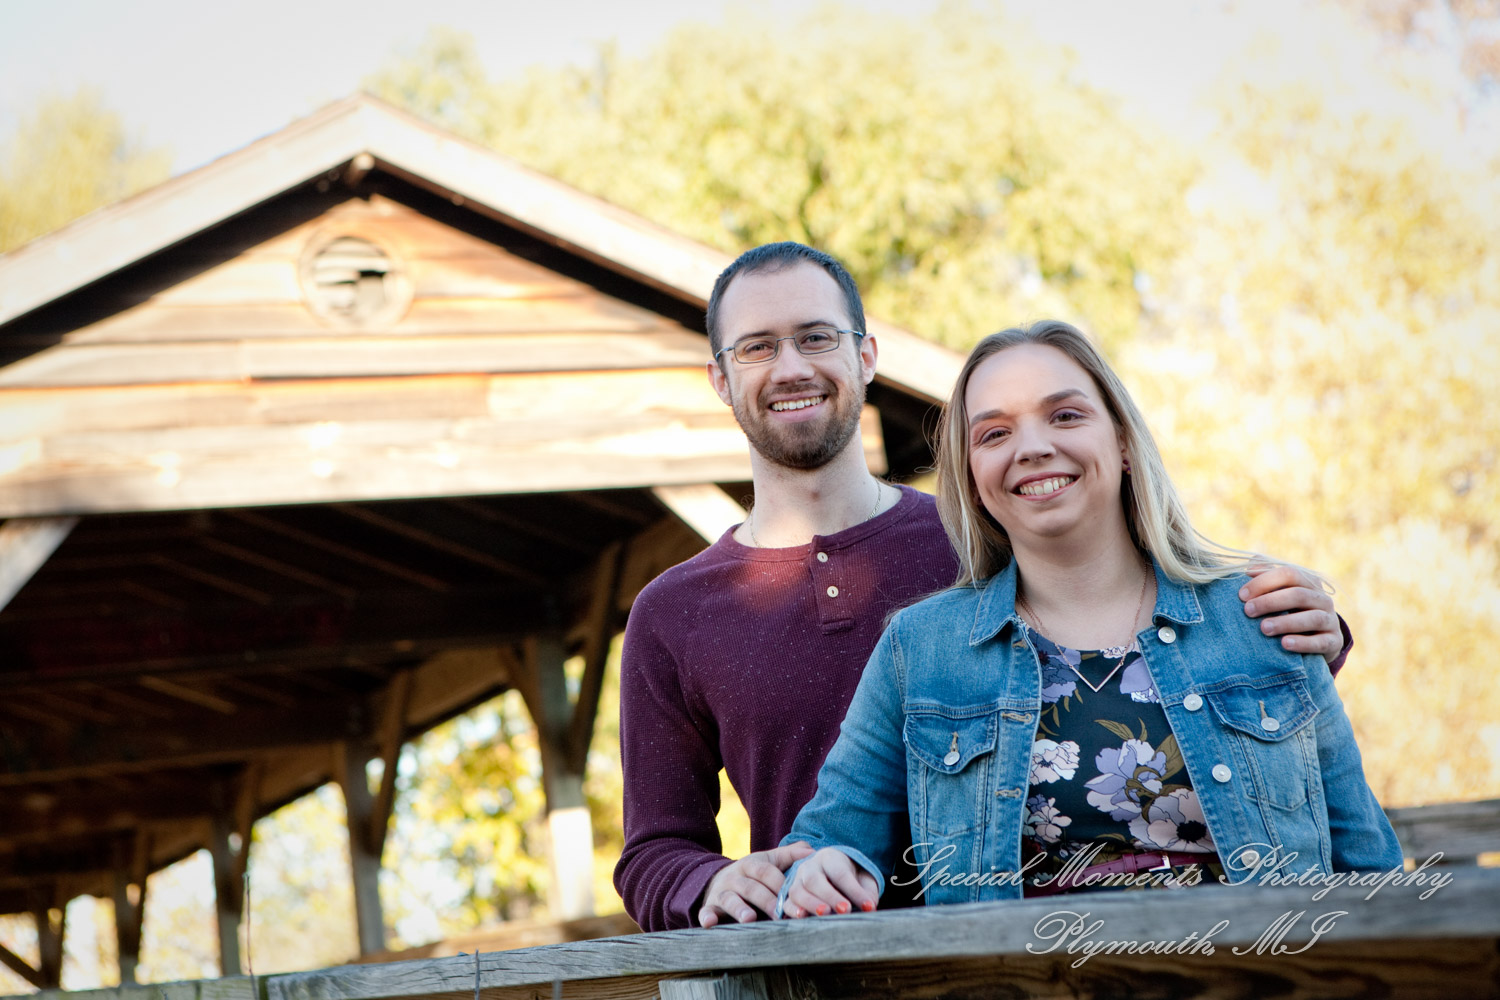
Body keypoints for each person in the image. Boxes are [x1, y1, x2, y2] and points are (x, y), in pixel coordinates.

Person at [614, 245, 1352, 932]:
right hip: (825, 965)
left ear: (866, 354)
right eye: (756, 347)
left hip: (1004, 946)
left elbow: (1162, 618)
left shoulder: (995, 533)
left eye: (817, 337)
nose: (791, 367)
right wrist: (709, 884)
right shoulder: (673, 614)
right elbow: (653, 852)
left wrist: (1305, 628)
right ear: (719, 377)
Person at [776, 321, 1400, 918]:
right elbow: (832, 839)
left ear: (1124, 443)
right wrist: (825, 869)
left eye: (1066, 415)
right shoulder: (921, 649)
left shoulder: (1256, 617)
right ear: (971, 475)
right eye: (993, 434)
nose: (1033, 447)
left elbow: (1367, 866)